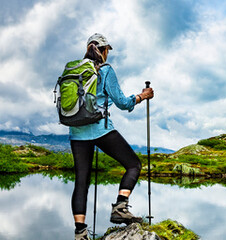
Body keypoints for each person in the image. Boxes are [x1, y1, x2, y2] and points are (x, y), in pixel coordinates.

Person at [71, 33, 154, 240]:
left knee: (81, 182)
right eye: (107, 49)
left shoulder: (75, 70)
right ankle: (120, 206)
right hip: (100, 129)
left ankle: (80, 233)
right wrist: (141, 96)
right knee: (133, 164)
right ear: (104, 50)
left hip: (76, 132)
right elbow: (122, 102)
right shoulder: (105, 70)